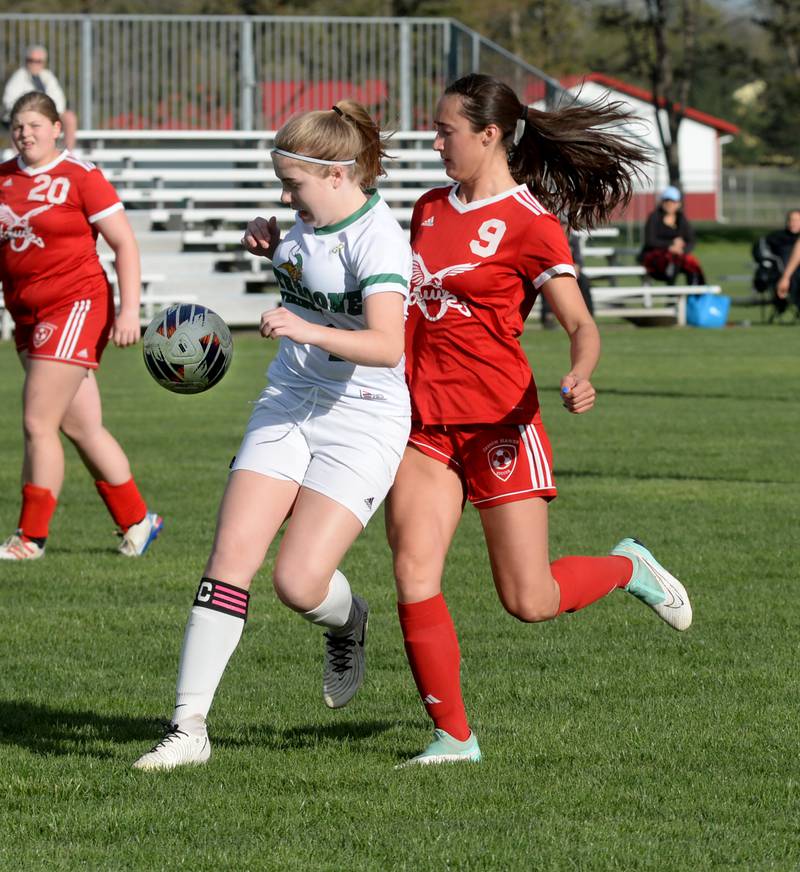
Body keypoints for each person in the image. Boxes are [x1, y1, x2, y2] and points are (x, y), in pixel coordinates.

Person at [386, 73, 693, 767]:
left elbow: (580, 324)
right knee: (412, 573)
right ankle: (453, 739)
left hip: (501, 422)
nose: (436, 143)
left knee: (530, 600)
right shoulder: (429, 208)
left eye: (445, 132)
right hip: (425, 424)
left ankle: (626, 567)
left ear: (488, 134)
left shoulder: (531, 223)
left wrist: (581, 372)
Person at [132, 101, 412, 771]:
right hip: (288, 399)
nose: (286, 198)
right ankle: (188, 728)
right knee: (230, 559)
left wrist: (307, 328)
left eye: (294, 185)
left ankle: (348, 623)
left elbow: (386, 343)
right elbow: (305, 271)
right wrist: (271, 246)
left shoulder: (378, 239)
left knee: (297, 581)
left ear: (339, 175)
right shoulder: (307, 218)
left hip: (364, 413)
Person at [0, 92, 162, 561]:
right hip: (26, 314)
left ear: (56, 128)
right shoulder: (5, 179)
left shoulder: (80, 176)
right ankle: (137, 520)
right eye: (17, 125)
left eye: (34, 124)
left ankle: (30, 538)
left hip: (75, 305)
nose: (25, 133)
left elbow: (124, 244)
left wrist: (130, 310)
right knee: (82, 426)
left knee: (36, 421)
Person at [2, 45, 78, 150]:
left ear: (44, 63)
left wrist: (47, 113)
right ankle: (19, 159)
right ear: (26, 61)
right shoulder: (18, 77)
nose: (34, 64)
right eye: (31, 60)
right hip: (26, 115)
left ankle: (69, 153)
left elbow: (59, 100)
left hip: (47, 114)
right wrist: (30, 110)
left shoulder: (48, 77)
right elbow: (9, 101)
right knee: (18, 121)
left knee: (69, 117)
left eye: (38, 61)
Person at [640, 186, 706, 285]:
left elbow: (691, 240)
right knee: (673, 261)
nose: (669, 204)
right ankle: (671, 295)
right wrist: (670, 245)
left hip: (677, 257)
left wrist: (682, 250)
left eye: (673, 201)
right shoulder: (654, 217)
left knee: (692, 264)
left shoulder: (681, 219)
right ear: (662, 202)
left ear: (678, 204)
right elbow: (650, 241)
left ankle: (695, 295)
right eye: (667, 201)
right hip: (655, 258)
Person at [769, 209, 800, 316]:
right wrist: (786, 277)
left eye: (797, 220)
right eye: (791, 220)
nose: (793, 223)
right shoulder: (777, 237)